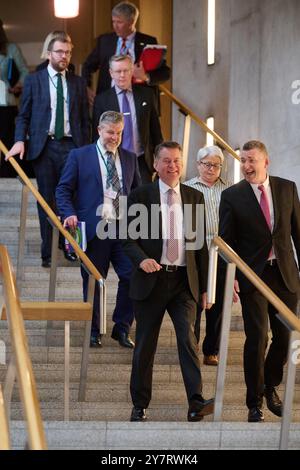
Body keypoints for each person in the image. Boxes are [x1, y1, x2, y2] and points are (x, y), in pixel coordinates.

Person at [122, 141, 214, 422]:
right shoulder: (140, 195)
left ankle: (195, 402)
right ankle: (139, 404)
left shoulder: (194, 197)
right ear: (155, 164)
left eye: (176, 160)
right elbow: (128, 239)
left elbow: (200, 246)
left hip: (184, 283)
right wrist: (141, 260)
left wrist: (206, 287)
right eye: (166, 161)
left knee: (188, 339)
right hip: (151, 280)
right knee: (146, 344)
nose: (172, 166)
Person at [219, 140, 300, 422]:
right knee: (257, 338)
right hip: (253, 275)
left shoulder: (287, 188)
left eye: (252, 160)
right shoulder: (232, 196)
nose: (246, 166)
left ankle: (270, 385)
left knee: (286, 336)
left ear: (266, 162)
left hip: (285, 274)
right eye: (243, 160)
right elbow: (225, 242)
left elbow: (297, 234)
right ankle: (254, 403)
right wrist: (231, 278)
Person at [56, 111, 141, 349]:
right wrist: (69, 213)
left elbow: (137, 193)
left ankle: (122, 328)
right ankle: (94, 331)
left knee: (133, 276)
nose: (114, 137)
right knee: (94, 280)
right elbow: (63, 190)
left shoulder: (130, 158)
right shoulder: (79, 156)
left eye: (119, 133)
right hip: (94, 228)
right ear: (99, 130)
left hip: (123, 229)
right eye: (110, 132)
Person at [6, 31, 90, 268]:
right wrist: (19, 140)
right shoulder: (34, 80)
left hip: (73, 147)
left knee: (75, 199)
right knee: (47, 201)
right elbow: (23, 115)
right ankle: (48, 253)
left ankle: (74, 248)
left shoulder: (78, 82)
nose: (64, 56)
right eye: (59, 52)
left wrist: (85, 149)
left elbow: (85, 120)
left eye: (67, 52)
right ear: (49, 53)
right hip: (45, 148)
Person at [185, 145, 231, 366]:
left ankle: (211, 350)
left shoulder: (231, 190)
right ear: (198, 165)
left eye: (216, 165)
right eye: (207, 164)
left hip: (221, 255)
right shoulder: (185, 189)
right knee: (193, 301)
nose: (212, 168)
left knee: (218, 305)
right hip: (194, 255)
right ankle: (190, 346)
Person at [82, 1, 170, 112]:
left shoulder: (149, 42)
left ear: (131, 22)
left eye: (119, 22)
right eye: (113, 21)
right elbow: (87, 66)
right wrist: (86, 87)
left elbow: (165, 73)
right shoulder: (105, 41)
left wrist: (146, 77)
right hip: (109, 101)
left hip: (139, 103)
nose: (115, 26)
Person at [92, 54, 163, 183]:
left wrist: (160, 159)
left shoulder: (147, 95)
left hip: (142, 161)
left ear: (132, 71)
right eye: (118, 71)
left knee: (142, 202)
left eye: (126, 70)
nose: (122, 75)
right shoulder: (102, 100)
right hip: (113, 161)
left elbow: (156, 131)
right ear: (111, 73)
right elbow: (95, 136)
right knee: (120, 202)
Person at [0, 18, 28, 177]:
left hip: (5, 104)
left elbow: (24, 71)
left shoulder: (11, 49)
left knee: (6, 140)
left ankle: (6, 175)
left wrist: (18, 85)